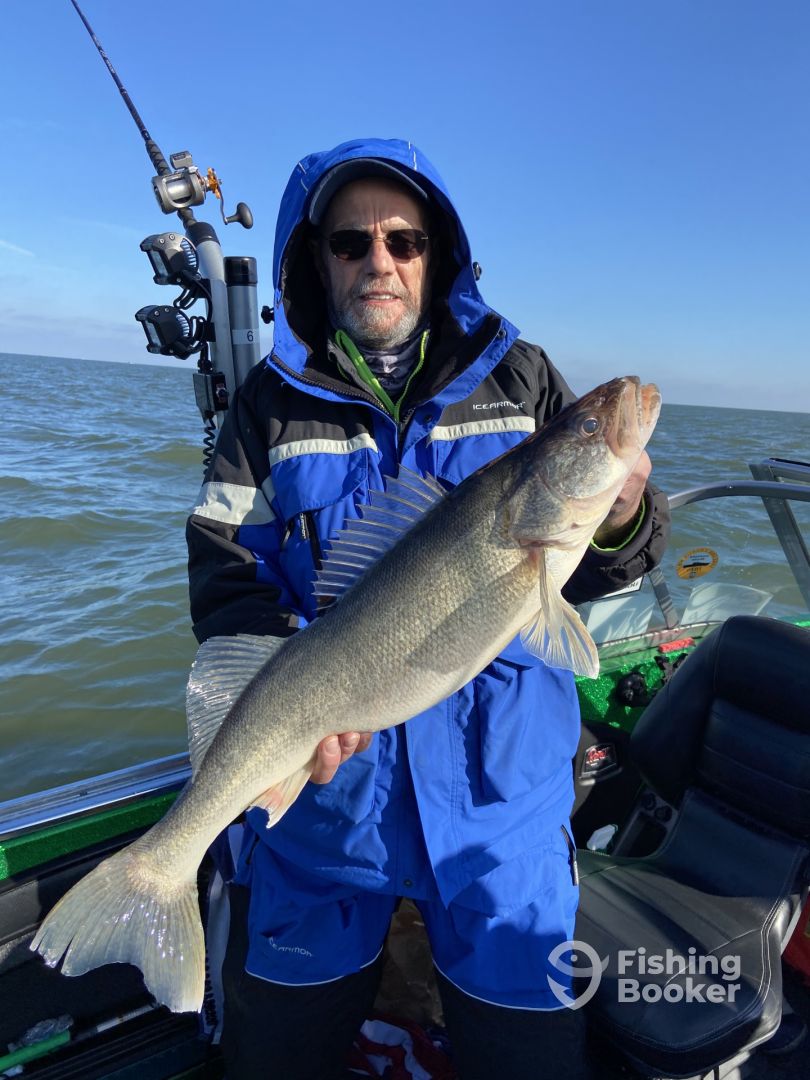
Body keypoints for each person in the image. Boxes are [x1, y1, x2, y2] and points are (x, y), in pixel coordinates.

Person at [186, 137, 670, 1080]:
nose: (381, 261)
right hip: (324, 823)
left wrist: (620, 518)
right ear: (315, 259)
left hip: (502, 827)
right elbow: (226, 572)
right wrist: (298, 710)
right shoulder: (265, 408)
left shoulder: (521, 376)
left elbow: (601, 572)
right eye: (351, 242)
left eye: (404, 240)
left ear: (436, 253)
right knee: (272, 1059)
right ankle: (162, 877)